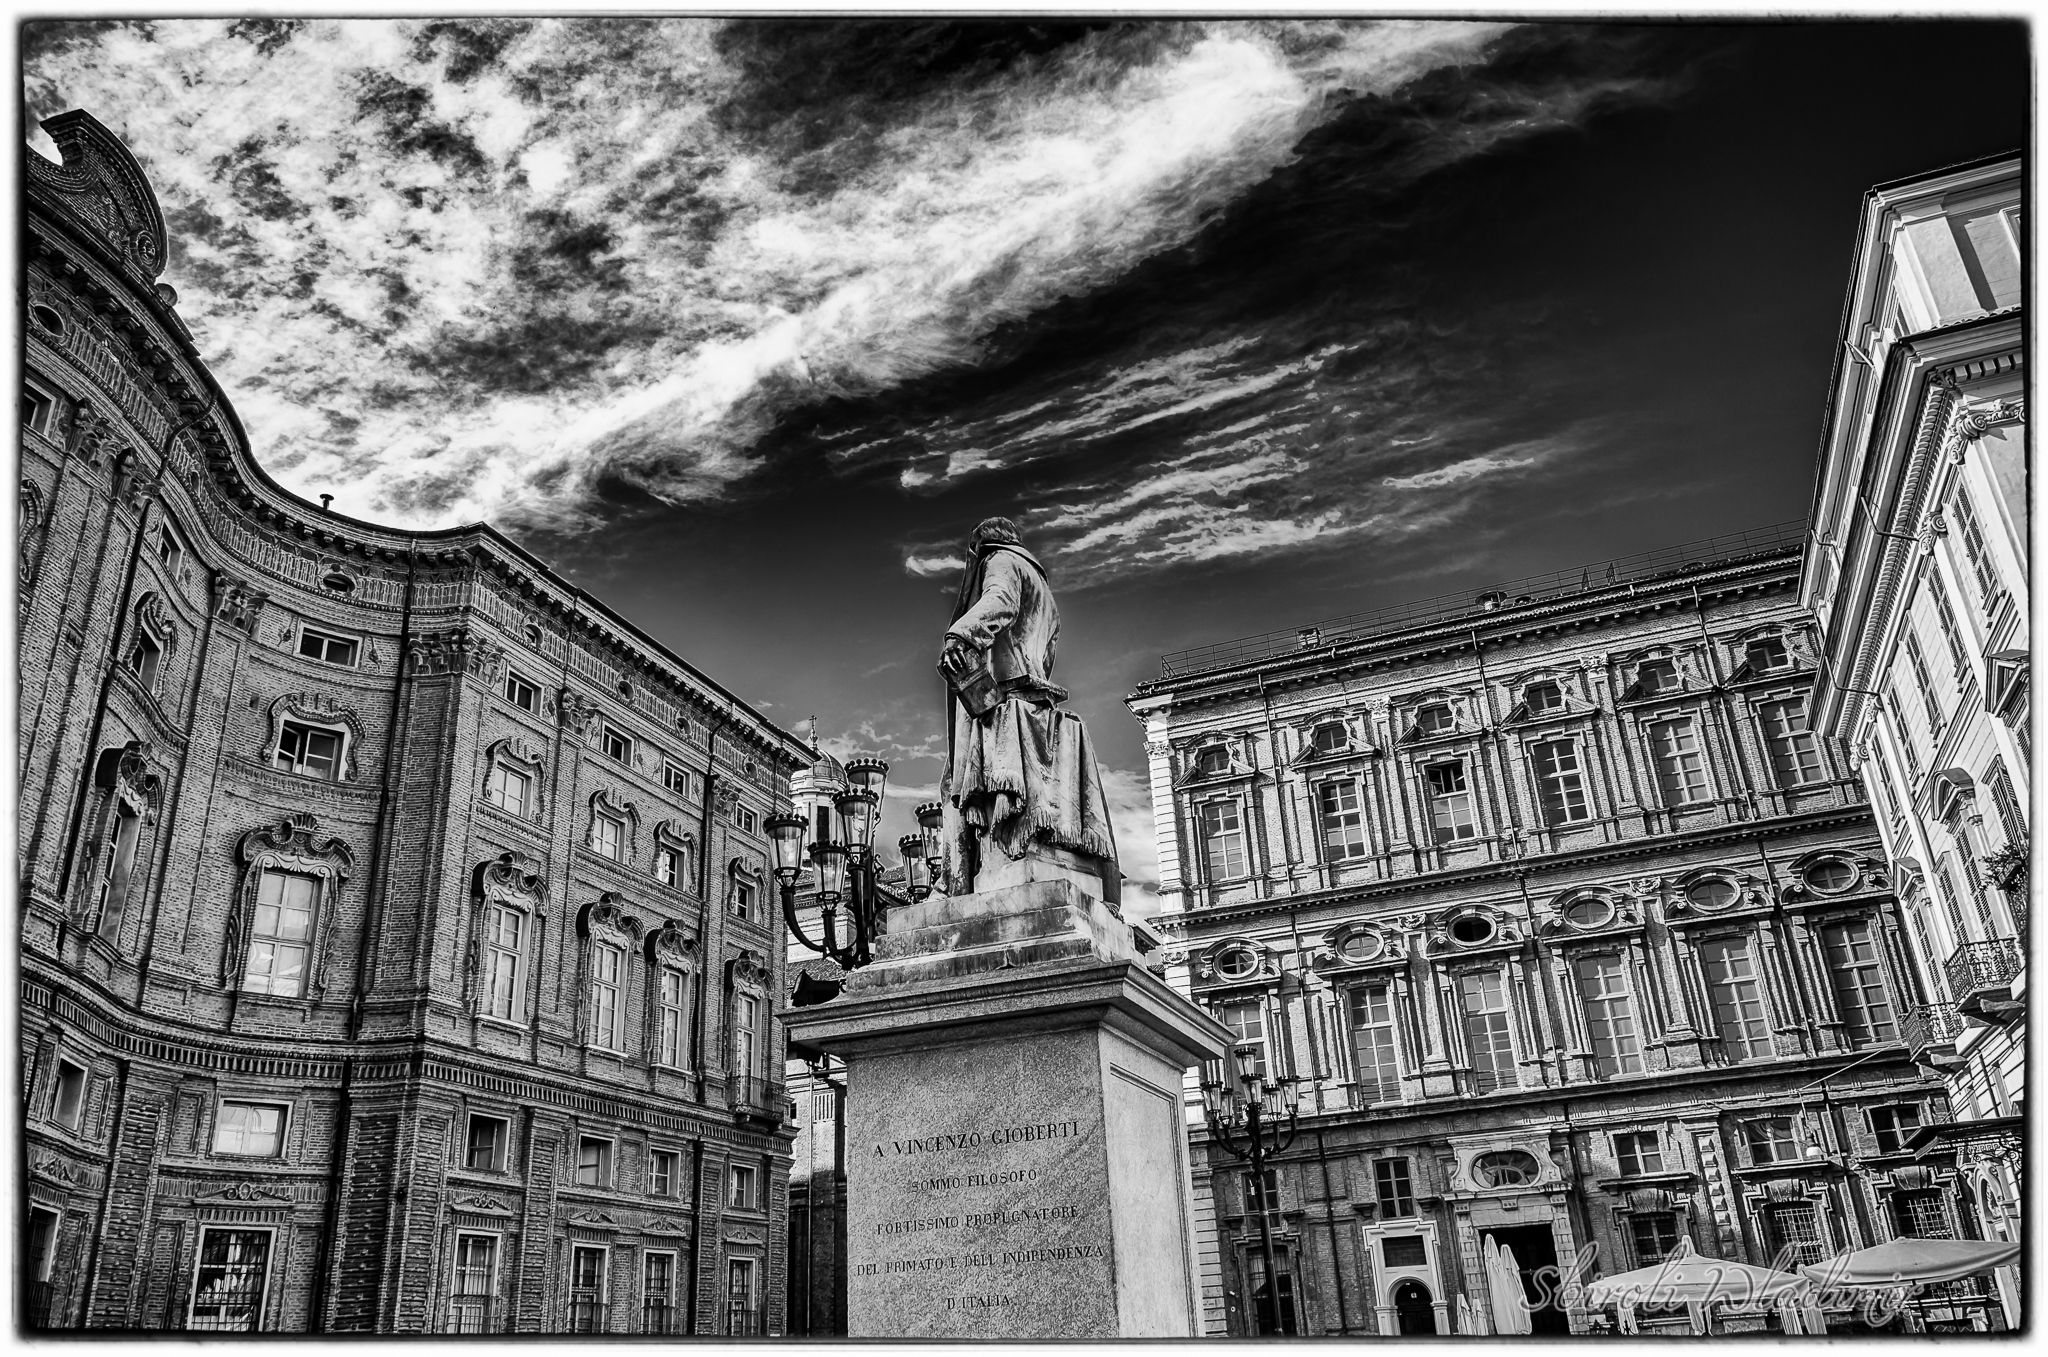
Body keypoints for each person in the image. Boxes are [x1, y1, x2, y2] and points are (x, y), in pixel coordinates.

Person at [937, 517, 1119, 902]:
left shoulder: (1000, 561)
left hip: (1003, 698)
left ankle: (952, 886)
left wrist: (961, 634)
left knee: (954, 787)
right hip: (1034, 695)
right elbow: (1047, 654)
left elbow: (999, 601)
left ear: (981, 547)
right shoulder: (1046, 593)